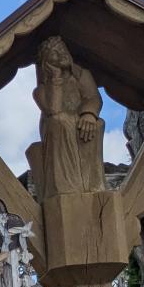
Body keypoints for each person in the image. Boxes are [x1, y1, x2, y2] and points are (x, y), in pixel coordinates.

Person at [32, 36, 106, 197]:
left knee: (98, 123)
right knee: (59, 121)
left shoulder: (82, 76)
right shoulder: (40, 91)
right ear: (46, 63)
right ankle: (65, 185)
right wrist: (56, 78)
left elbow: (93, 98)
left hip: (80, 120)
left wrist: (89, 114)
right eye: (54, 53)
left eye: (62, 49)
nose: (61, 55)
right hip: (56, 129)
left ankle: (93, 182)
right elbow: (54, 110)